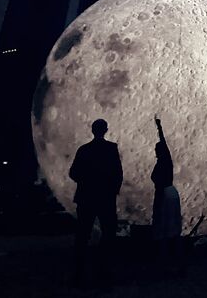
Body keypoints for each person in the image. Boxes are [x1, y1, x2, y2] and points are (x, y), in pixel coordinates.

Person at [69, 118, 123, 286]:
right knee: (108, 234)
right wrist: (112, 190)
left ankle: (80, 272)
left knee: (83, 235)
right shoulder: (111, 149)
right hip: (106, 198)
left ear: (93, 130)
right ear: (105, 130)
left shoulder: (84, 150)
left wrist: (86, 181)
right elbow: (118, 173)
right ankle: (104, 270)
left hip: (86, 197)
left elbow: (73, 173)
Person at [151, 116, 182, 272]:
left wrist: (159, 127)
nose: (155, 151)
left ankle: (166, 255)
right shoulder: (163, 161)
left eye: (157, 149)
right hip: (167, 193)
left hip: (165, 194)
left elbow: (163, 142)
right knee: (167, 224)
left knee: (164, 224)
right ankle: (169, 254)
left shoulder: (165, 160)